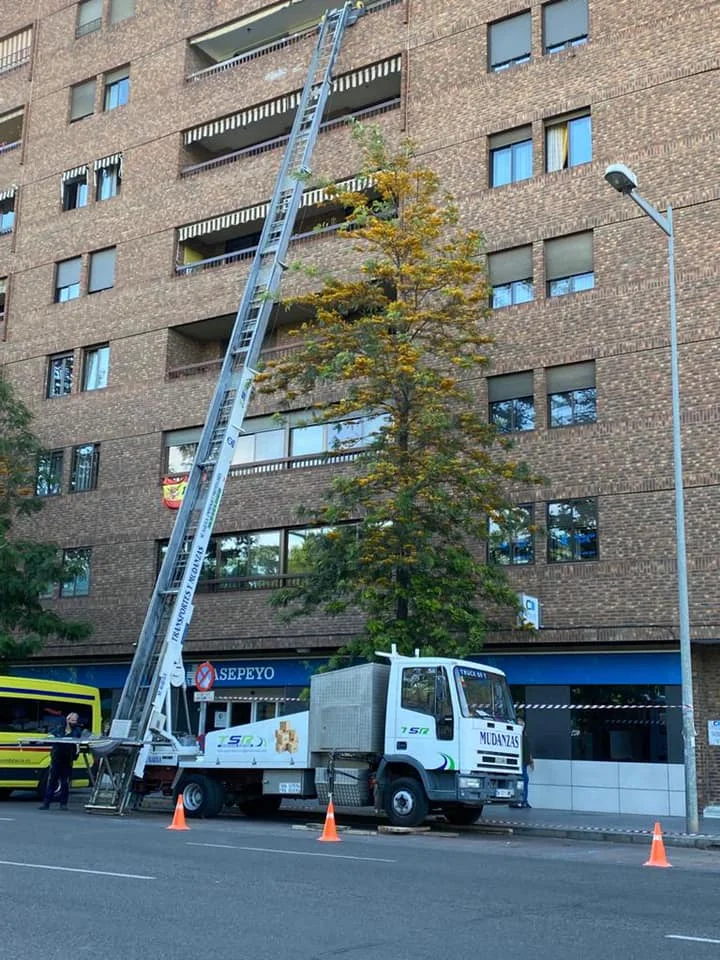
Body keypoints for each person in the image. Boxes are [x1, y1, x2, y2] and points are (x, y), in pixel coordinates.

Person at [39, 712, 83, 810]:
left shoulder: (77, 731)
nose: (74, 722)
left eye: (75, 720)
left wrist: (76, 754)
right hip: (57, 758)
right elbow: (50, 736)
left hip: (68, 760)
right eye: (73, 720)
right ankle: (46, 803)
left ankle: (63, 804)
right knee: (52, 781)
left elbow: (79, 743)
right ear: (68, 720)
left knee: (65, 782)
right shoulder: (59, 729)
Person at [510, 717, 534, 809]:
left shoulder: (525, 736)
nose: (522, 727)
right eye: (520, 725)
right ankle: (518, 801)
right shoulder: (515, 736)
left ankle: (524, 800)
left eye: (523, 725)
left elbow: (528, 749)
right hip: (518, 764)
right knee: (519, 782)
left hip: (524, 763)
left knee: (525, 781)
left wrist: (531, 760)